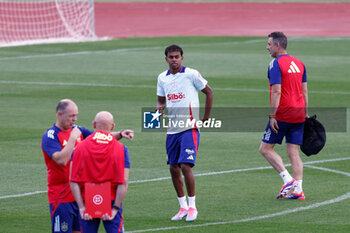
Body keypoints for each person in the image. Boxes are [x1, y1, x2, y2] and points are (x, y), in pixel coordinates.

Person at [41, 99, 133, 233]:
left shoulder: (78, 130)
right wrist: (72, 139)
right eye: (71, 116)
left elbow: (100, 137)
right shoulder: (51, 136)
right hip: (61, 197)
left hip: (83, 196)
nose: (75, 119)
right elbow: (61, 160)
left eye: (76, 115)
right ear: (59, 114)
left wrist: (120, 134)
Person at [156, 44, 214, 221]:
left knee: (185, 165)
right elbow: (161, 100)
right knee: (173, 168)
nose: (174, 60)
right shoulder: (162, 78)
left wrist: (205, 117)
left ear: (182, 58)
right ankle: (182, 207)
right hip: (172, 130)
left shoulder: (191, 74)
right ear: (166, 59)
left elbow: (209, 92)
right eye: (171, 57)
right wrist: (160, 109)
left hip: (189, 127)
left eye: (177, 56)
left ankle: (193, 207)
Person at [259, 32, 309, 200]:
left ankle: (288, 181)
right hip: (299, 113)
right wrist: (305, 112)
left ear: (277, 45)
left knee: (265, 149)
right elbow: (304, 90)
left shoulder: (275, 64)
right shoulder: (300, 63)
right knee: (293, 151)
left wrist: (273, 115)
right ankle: (298, 190)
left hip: (284, 112)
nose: (267, 47)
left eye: (269, 44)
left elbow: (276, 90)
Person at [70, 111, 129, 233]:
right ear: (112, 127)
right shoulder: (121, 149)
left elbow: (73, 180)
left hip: (87, 200)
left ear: (93, 124)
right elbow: (123, 182)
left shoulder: (79, 148)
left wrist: (81, 207)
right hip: (112, 199)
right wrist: (115, 209)